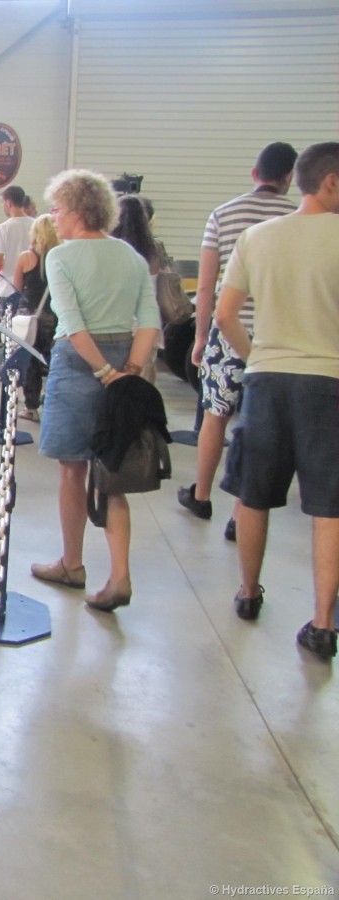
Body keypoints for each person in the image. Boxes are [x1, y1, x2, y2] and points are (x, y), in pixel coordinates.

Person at [214, 142, 339, 660]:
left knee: (253, 494)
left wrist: (256, 356)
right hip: (329, 384)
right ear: (330, 182)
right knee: (328, 508)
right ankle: (323, 623)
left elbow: (224, 316)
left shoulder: (255, 237)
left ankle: (248, 593)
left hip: (266, 378)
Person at [29, 169, 160, 612]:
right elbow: (149, 322)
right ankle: (120, 575)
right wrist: (129, 370)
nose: (54, 217)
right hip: (126, 361)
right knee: (113, 472)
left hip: (81, 363)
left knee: (73, 470)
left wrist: (103, 371)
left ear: (79, 211)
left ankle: (72, 563)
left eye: (57, 209)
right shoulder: (131, 257)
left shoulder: (61, 257)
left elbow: (73, 322)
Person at [177, 142, 298, 536]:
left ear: (254, 174)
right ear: (289, 177)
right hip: (275, 337)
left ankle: (203, 494)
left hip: (227, 334)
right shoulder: (295, 217)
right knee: (258, 425)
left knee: (216, 416)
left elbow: (208, 286)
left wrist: (200, 337)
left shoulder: (223, 214)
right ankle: (241, 513)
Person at [12, 214, 60, 419]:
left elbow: (17, 286)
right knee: (54, 361)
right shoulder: (60, 256)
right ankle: (53, 403)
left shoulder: (25, 257)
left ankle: (31, 408)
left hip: (28, 315)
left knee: (30, 361)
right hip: (54, 315)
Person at [111, 194, 163, 382]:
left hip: (116, 324)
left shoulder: (112, 249)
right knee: (140, 383)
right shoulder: (153, 248)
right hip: (147, 323)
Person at [0, 185, 34, 315]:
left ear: (8, 202)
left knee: (5, 332)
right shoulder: (35, 225)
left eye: (3, 202)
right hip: (30, 288)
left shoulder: (3, 228)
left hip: (7, 288)